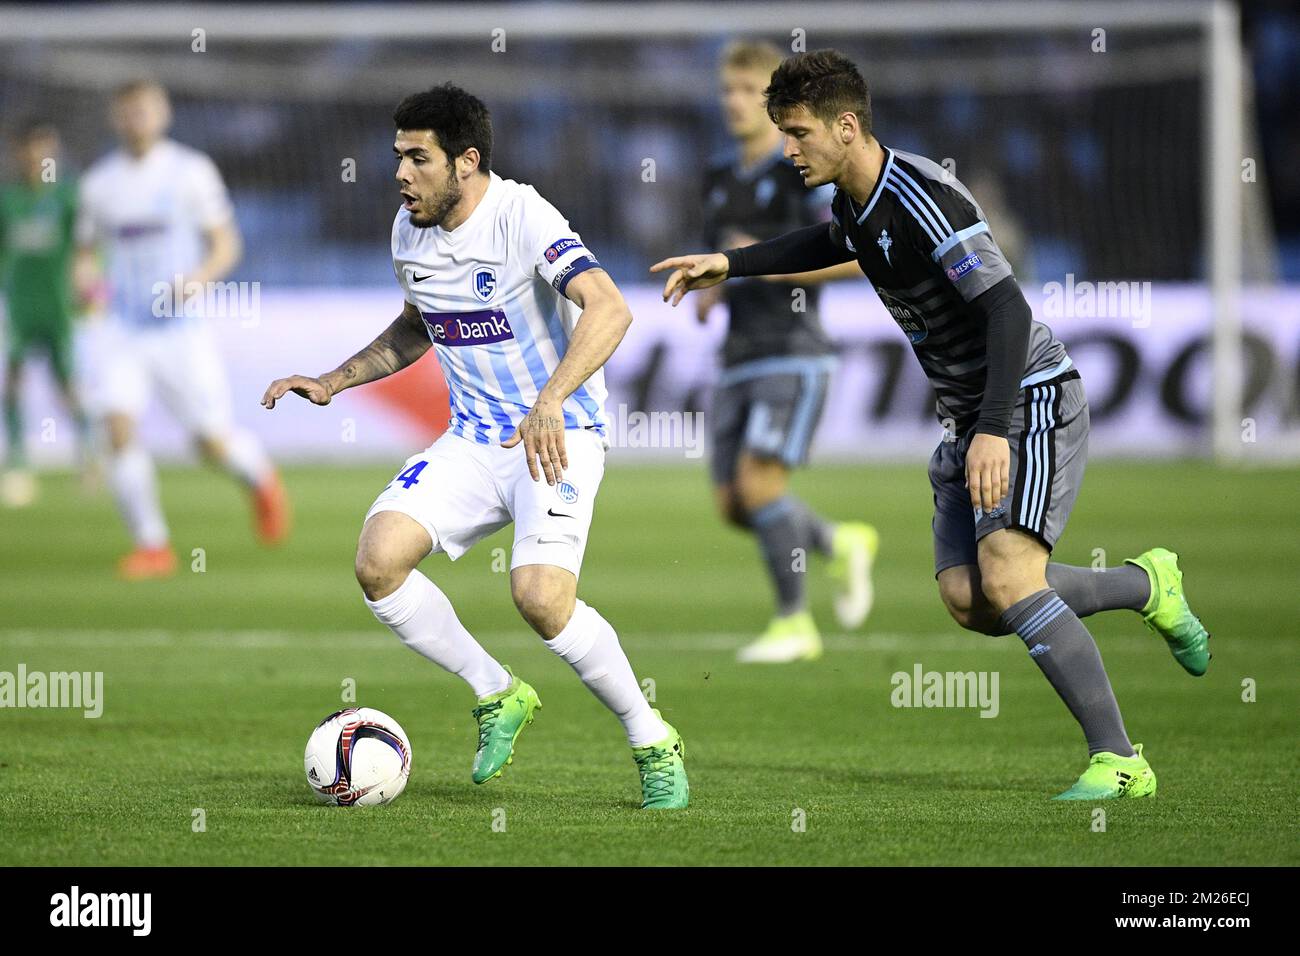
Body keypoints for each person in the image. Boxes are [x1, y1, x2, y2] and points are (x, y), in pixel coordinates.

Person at [652, 50, 1211, 800]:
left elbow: (1007, 307)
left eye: (797, 133)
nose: (787, 150)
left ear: (845, 126)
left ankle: (1120, 760)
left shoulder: (924, 197)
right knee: (971, 599)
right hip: (969, 415)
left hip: (1028, 398)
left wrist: (990, 428)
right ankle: (1145, 584)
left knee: (1011, 578)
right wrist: (733, 262)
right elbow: (831, 242)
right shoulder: (853, 197)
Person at [262, 84, 688, 810]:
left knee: (541, 600)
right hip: (471, 440)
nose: (401, 174)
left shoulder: (522, 216)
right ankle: (497, 692)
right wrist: (336, 380)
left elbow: (610, 307)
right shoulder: (409, 231)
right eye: (397, 155)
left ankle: (652, 739)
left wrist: (550, 399)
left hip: (557, 438)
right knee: (378, 561)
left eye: (417, 158)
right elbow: (416, 325)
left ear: (466, 161)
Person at [699, 41, 878, 664]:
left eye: (749, 90)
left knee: (759, 484)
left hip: (794, 352)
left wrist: (774, 271)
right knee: (733, 503)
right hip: (738, 353)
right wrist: (708, 291)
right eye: (728, 89)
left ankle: (794, 623)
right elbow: (718, 257)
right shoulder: (719, 177)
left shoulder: (799, 169)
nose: (736, 102)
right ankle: (837, 540)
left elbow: (853, 254)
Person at [76, 80, 288, 578]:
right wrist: (88, 289)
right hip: (122, 329)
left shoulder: (190, 171)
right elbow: (84, 256)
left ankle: (260, 477)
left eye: (144, 110)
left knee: (209, 443)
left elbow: (225, 244)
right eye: (127, 112)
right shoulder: (99, 184)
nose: (136, 120)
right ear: (116, 118)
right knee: (118, 428)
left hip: (180, 330)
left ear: (163, 113)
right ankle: (153, 545)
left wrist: (197, 279)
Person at [0, 121, 89, 506]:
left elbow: (87, 249)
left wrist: (88, 287)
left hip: (58, 308)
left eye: (45, 148)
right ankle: (18, 460)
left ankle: (88, 454)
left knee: (66, 385)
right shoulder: (8, 199)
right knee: (14, 380)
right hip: (19, 306)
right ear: (20, 152)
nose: (38, 157)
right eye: (31, 149)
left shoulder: (69, 198)